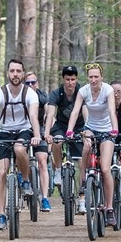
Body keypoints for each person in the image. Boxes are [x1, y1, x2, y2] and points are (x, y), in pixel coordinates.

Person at [0, 58, 42, 231]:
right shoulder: (0, 93)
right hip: (4, 132)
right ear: (7, 73)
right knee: (1, 172)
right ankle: (1, 215)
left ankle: (25, 180)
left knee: (20, 148)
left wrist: (37, 135)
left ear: (23, 74)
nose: (15, 74)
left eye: (18, 71)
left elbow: (33, 117)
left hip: (24, 130)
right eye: (12, 71)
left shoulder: (30, 93)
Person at [65, 63, 120, 228]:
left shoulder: (108, 90)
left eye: (96, 76)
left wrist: (115, 129)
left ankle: (109, 208)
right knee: (87, 147)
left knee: (104, 169)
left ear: (101, 77)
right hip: (91, 128)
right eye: (91, 77)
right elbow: (75, 111)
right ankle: (83, 180)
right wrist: (69, 130)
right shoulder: (84, 91)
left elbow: (111, 111)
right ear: (87, 78)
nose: (94, 80)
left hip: (107, 130)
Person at [44, 65, 86, 214]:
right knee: (57, 141)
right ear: (63, 80)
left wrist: (87, 129)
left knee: (82, 161)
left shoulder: (82, 92)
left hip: (79, 127)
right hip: (61, 126)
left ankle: (82, 200)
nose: (70, 82)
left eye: (73, 79)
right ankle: (58, 169)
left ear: (76, 79)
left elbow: (86, 111)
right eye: (67, 79)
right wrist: (47, 133)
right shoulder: (56, 93)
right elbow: (50, 114)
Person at [24, 71, 52, 212]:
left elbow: (48, 112)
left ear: (37, 84)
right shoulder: (21, 95)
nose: (30, 85)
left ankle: (45, 198)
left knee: (42, 161)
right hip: (22, 129)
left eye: (32, 82)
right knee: (19, 155)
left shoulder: (42, 96)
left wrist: (47, 131)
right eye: (27, 83)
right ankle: (21, 182)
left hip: (39, 129)